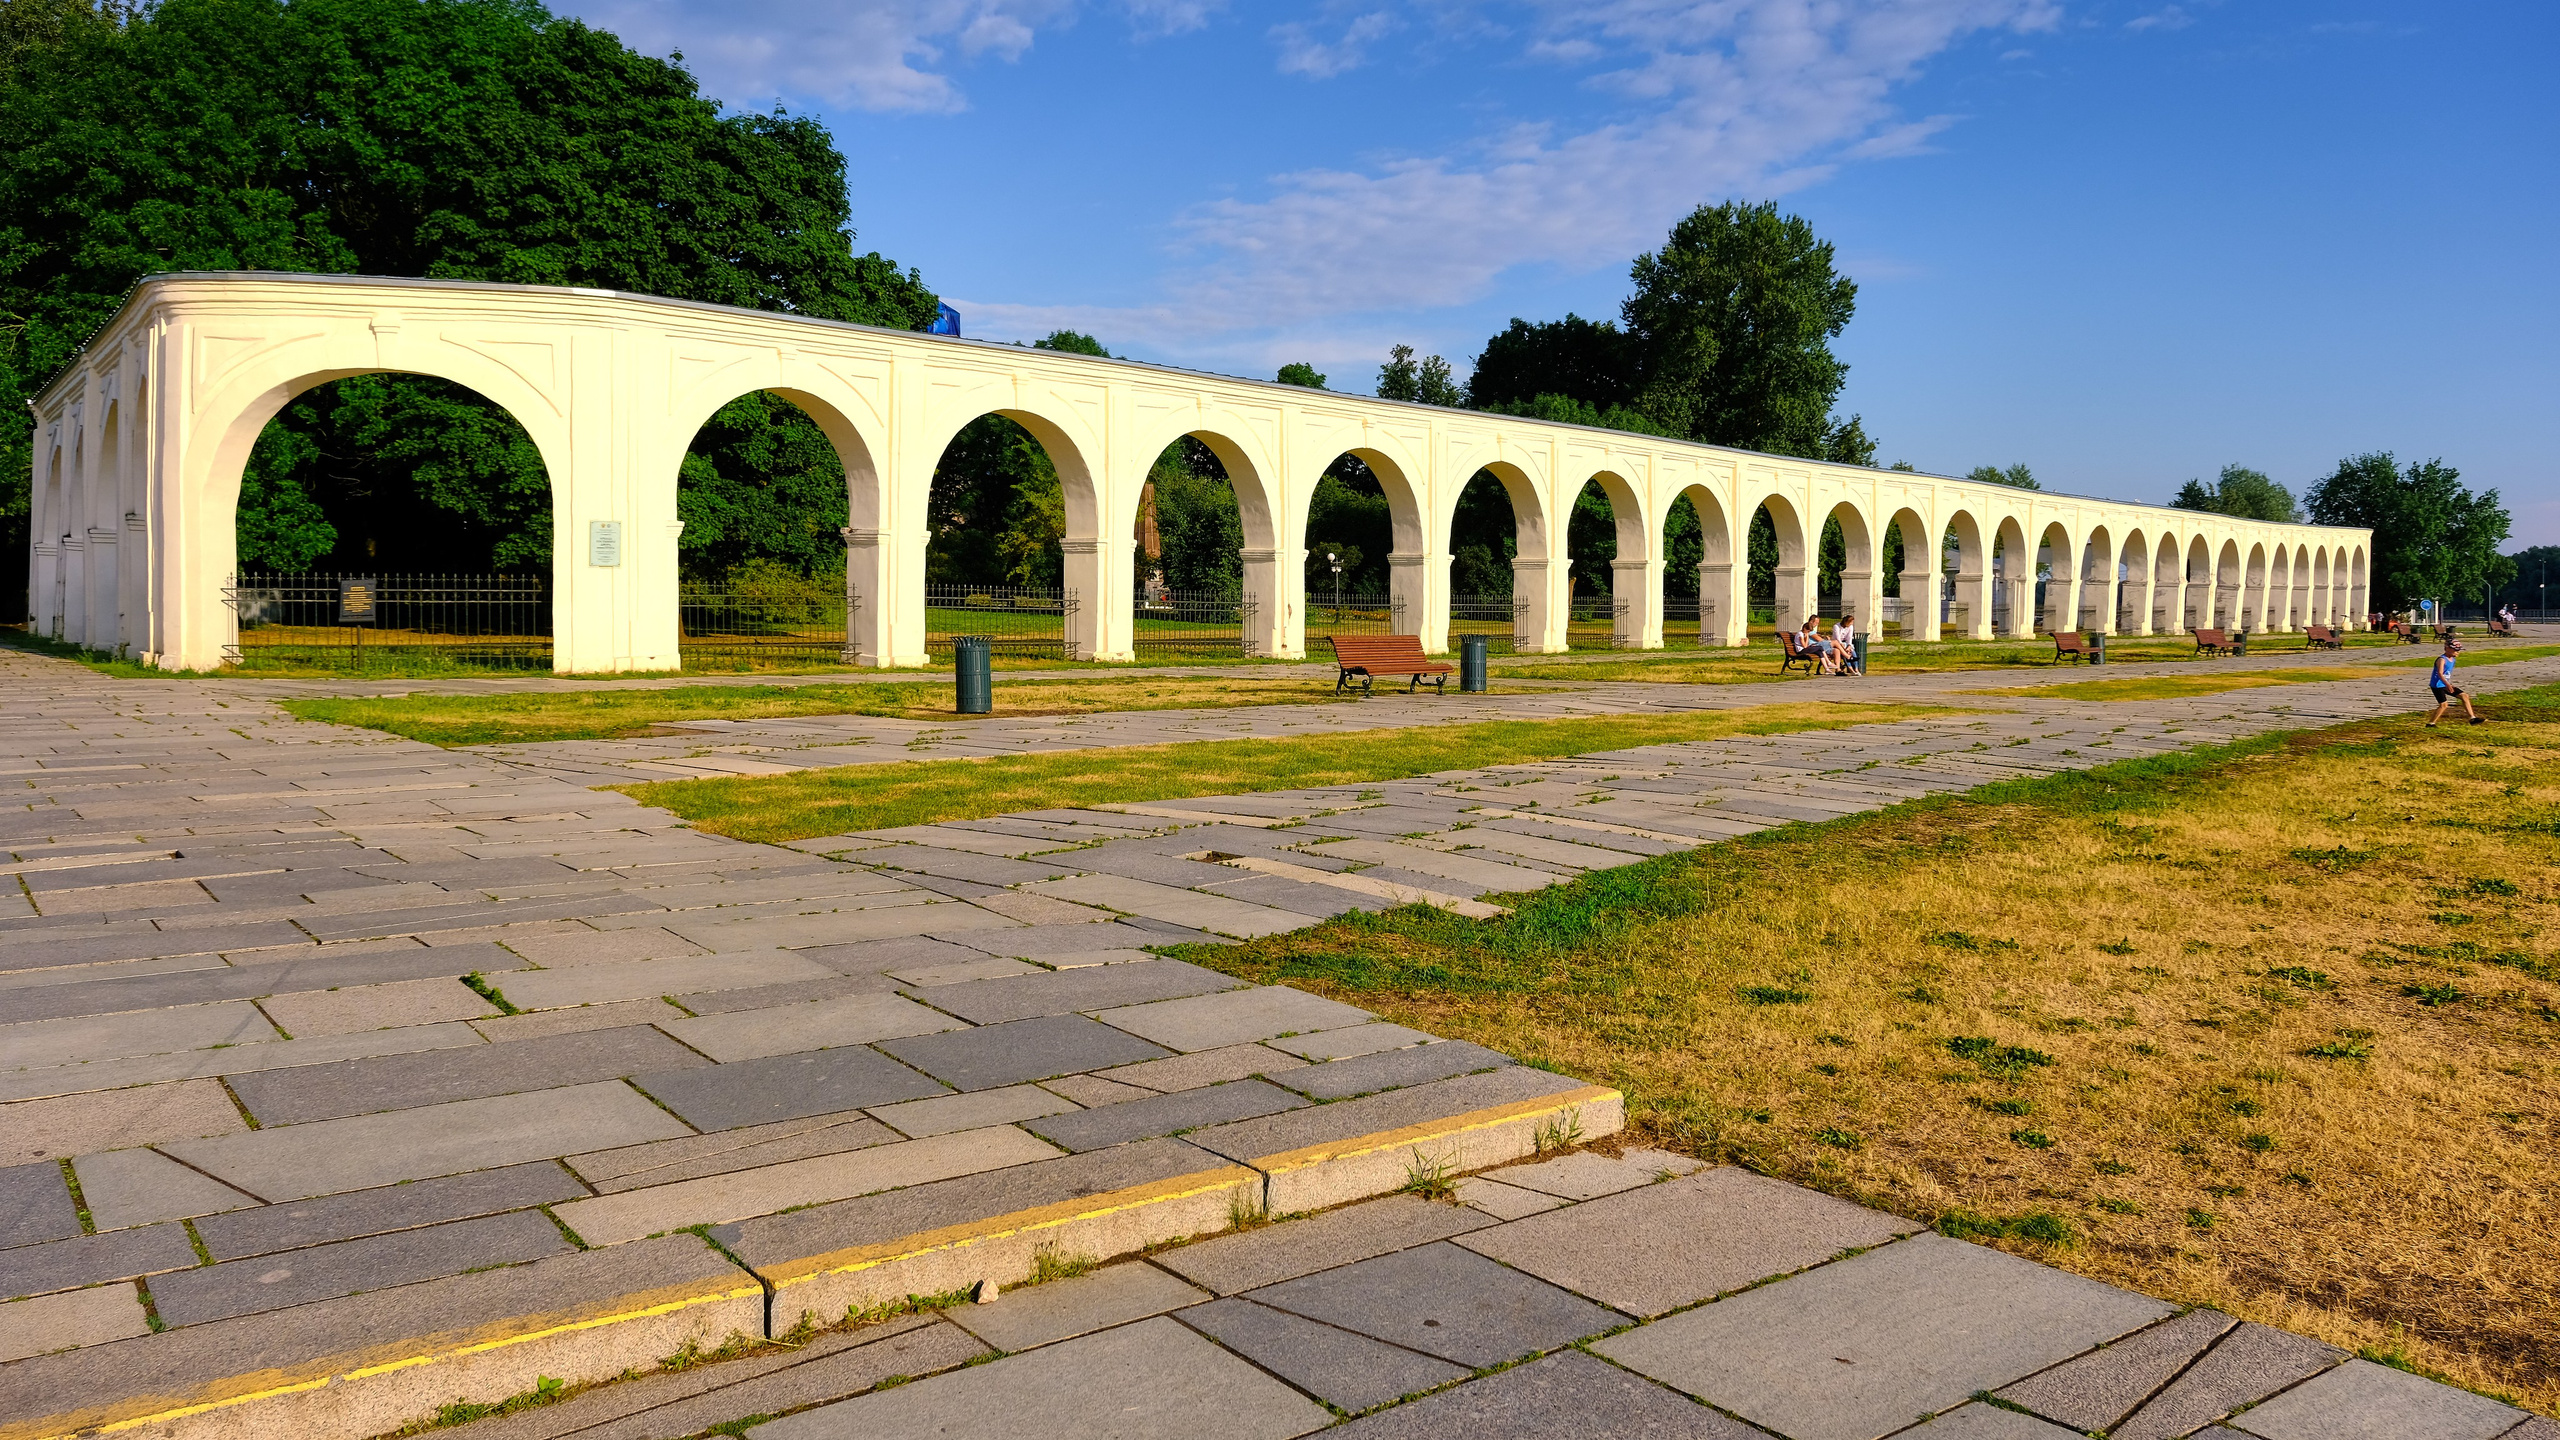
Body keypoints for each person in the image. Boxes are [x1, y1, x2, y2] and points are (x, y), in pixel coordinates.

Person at [2426, 639, 2482, 727]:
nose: (2457, 652)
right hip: (2438, 685)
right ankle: (2431, 723)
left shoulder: (2452, 660)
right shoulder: (2442, 659)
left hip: (2446, 684)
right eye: (2456, 650)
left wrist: (2448, 684)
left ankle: (2472, 718)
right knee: (2444, 705)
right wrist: (2447, 684)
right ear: (2447, 649)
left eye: (2458, 650)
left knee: (2464, 696)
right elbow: (2440, 673)